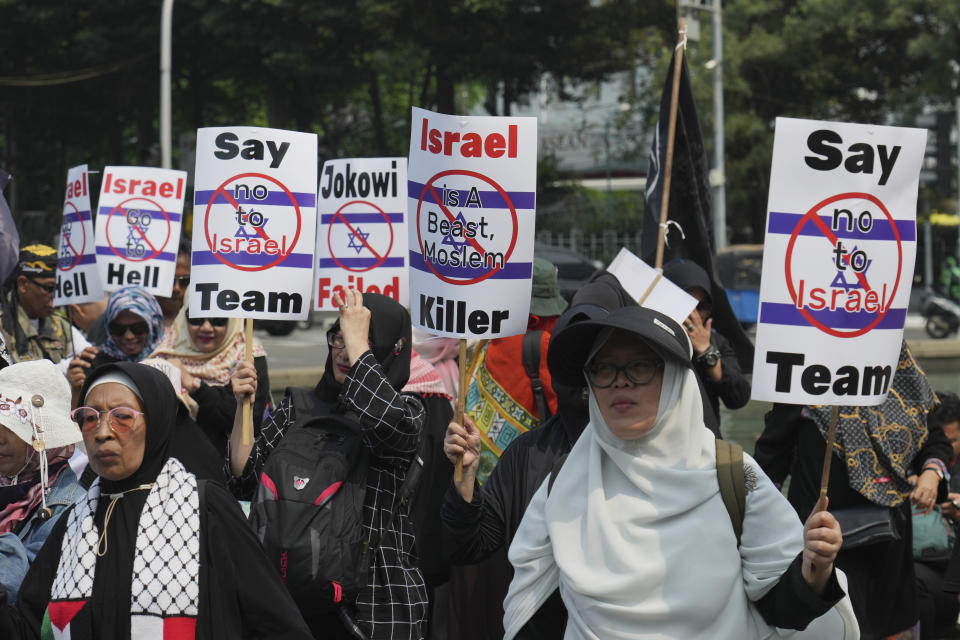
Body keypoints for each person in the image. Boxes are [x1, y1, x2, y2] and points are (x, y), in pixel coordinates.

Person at [496, 306, 850, 638]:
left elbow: (783, 609)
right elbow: (533, 614)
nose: (619, 382)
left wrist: (814, 569)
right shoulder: (566, 483)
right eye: (603, 368)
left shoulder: (732, 475)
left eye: (640, 366)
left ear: (677, 380)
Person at [0, 361, 313, 639]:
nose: (102, 432)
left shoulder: (205, 508)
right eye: (89, 417)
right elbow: (27, 627)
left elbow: (275, 623)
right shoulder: (73, 523)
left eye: (122, 416)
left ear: (158, 421)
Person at [441, 271, 634, 640]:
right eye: (572, 357)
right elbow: (467, 545)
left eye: (601, 361)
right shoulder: (528, 454)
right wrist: (465, 485)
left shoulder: (652, 452)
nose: (585, 375)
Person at [229, 289, 427, 639]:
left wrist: (356, 342)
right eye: (339, 337)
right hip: (289, 601)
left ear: (392, 350)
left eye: (362, 341)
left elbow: (384, 422)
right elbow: (245, 483)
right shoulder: (299, 406)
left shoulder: (406, 412)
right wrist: (242, 407)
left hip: (371, 607)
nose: (345, 353)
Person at [754, 342, 951, 639]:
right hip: (821, 538)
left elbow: (934, 438)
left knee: (888, 625)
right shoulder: (802, 381)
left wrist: (930, 475)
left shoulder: (899, 376)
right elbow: (770, 463)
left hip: (888, 540)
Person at [463, 257, 568, 486]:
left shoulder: (490, 335)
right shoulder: (544, 345)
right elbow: (566, 413)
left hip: (474, 465)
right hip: (519, 473)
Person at [0, 360, 84, 603]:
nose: (1, 437)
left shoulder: (70, 509)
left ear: (44, 438)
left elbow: (22, 590)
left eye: (14, 426)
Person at [150, 304, 271, 455]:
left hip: (227, 465)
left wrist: (194, 385)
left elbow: (247, 418)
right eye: (196, 318)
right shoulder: (165, 352)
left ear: (234, 320)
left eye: (218, 319)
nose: (206, 327)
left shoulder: (248, 356)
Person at [662, 258, 750, 429]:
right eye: (685, 303)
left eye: (701, 306)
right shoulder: (648, 337)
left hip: (704, 445)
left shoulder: (716, 342)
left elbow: (738, 398)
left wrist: (706, 351)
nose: (693, 314)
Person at [65, 286, 165, 405]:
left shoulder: (168, 358)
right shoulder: (91, 363)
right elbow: (79, 415)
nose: (128, 336)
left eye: (138, 328)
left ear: (152, 324)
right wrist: (75, 388)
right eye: (118, 329)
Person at [0, 244, 73, 364]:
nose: (56, 296)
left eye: (60, 288)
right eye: (49, 288)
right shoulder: (3, 327)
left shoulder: (61, 326)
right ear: (23, 284)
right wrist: (65, 372)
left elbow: (85, 353)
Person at [155, 237, 192, 329]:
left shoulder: (204, 328)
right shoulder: (135, 326)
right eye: (169, 280)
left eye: (185, 281)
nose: (176, 288)